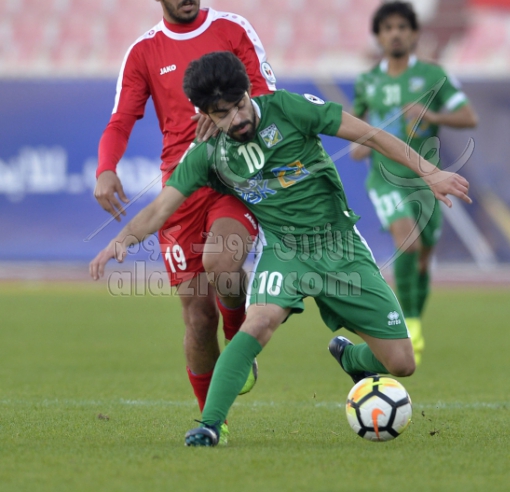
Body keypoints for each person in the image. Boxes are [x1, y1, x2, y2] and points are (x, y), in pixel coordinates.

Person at [89, 51, 472, 447]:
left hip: (341, 246)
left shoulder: (289, 108)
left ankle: (351, 358)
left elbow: (370, 135)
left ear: (248, 92)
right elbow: (160, 209)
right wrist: (121, 240)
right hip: (285, 252)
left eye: (239, 105)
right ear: (204, 115)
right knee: (258, 323)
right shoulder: (205, 155)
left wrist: (430, 173)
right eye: (222, 114)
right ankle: (210, 425)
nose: (236, 118)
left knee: (402, 363)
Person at [93, 0, 276, 429]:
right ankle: (211, 425)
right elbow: (121, 120)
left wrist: (229, 113)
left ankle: (239, 340)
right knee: (197, 316)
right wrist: (106, 168)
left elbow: (266, 95)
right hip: (182, 187)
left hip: (235, 174)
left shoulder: (232, 30)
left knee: (223, 263)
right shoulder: (144, 52)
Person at [351, 0, 478, 364]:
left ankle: (416, 321)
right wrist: (362, 143)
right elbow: (356, 130)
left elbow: (468, 117)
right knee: (407, 242)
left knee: (423, 258)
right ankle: (407, 327)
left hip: (426, 181)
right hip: (385, 178)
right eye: (388, 28)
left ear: (414, 34)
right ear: (378, 36)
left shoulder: (433, 76)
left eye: (402, 27)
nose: (395, 34)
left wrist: (433, 116)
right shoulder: (367, 82)